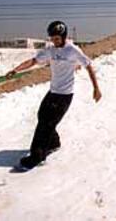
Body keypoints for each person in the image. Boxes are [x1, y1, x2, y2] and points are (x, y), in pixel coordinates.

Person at [6, 21, 102, 169]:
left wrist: (96, 88)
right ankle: (53, 143)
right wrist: (16, 70)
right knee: (42, 116)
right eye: (52, 38)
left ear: (64, 37)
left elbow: (88, 65)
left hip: (65, 95)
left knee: (46, 124)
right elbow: (33, 61)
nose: (54, 41)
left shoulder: (72, 50)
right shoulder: (50, 50)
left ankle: (37, 157)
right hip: (53, 91)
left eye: (57, 38)